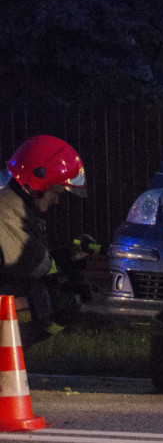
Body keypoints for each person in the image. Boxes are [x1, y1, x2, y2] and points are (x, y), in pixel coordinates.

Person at [0, 136, 93, 342]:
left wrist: (70, 255)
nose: (57, 199)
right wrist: (69, 279)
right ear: (37, 184)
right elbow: (34, 266)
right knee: (60, 301)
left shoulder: (10, 205)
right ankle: (9, 356)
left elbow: (30, 265)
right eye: (56, 190)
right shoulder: (8, 216)